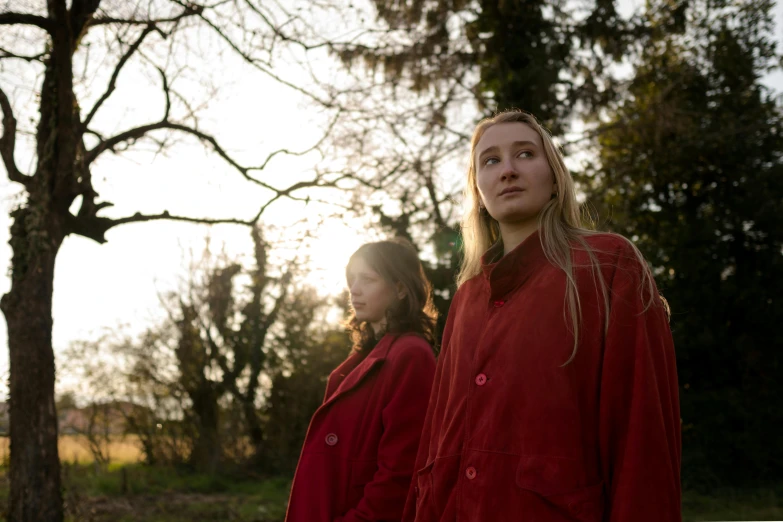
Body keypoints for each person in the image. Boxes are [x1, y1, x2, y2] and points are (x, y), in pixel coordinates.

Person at [402, 110, 681, 522]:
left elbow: (642, 436)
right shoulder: (465, 299)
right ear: (478, 190)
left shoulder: (607, 265)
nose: (508, 170)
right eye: (491, 160)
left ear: (554, 178)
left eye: (526, 153)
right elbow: (434, 442)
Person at [285, 238, 438, 522]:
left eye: (367, 279)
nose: (354, 290)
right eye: (351, 279)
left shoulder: (411, 355)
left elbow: (401, 472)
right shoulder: (364, 355)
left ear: (401, 288)